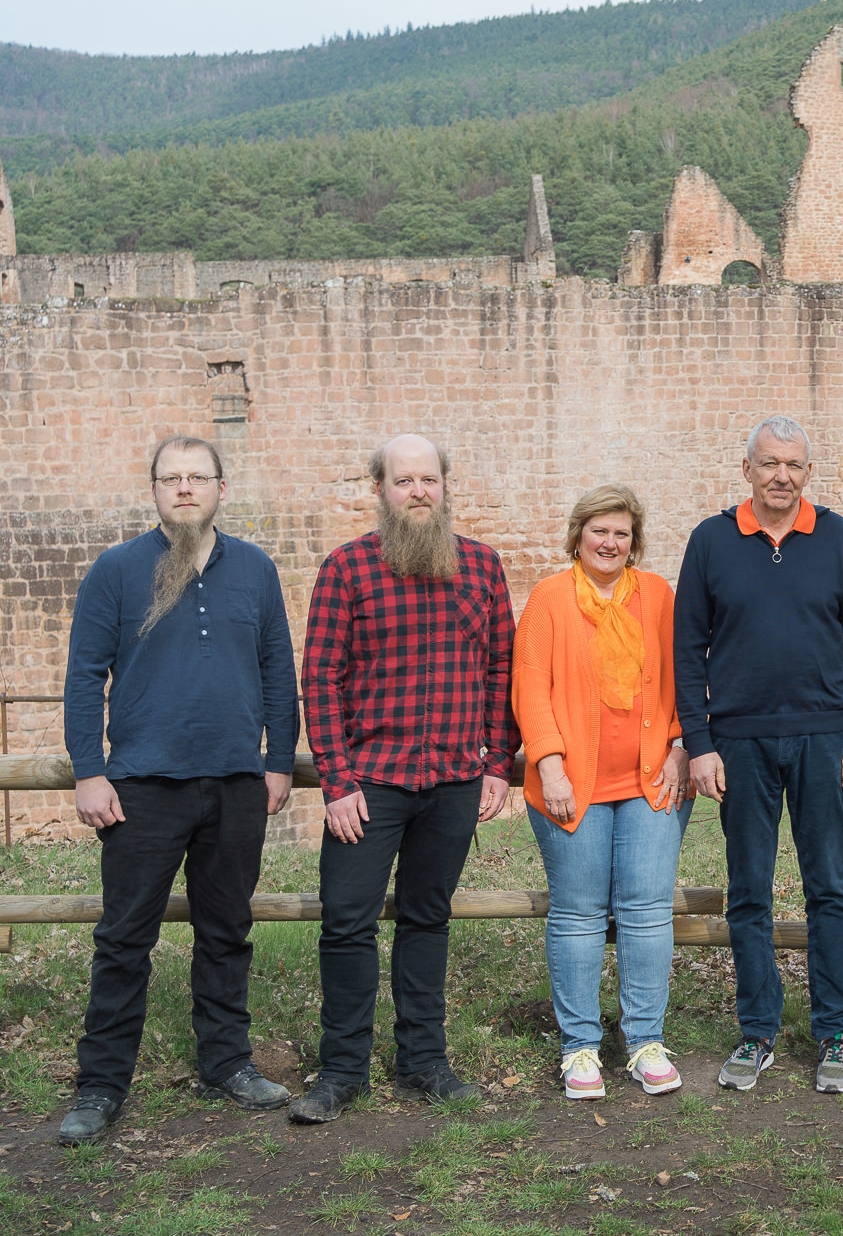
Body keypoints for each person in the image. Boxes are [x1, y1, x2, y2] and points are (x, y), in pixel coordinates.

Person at [57, 437, 299, 1144]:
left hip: (234, 783)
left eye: (198, 478)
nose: (185, 489)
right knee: (124, 939)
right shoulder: (118, 569)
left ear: (222, 488)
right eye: (172, 478)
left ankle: (226, 1063)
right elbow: (83, 676)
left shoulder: (253, 568)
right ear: (155, 489)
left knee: (227, 932)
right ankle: (101, 1086)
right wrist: (87, 768)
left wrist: (277, 763)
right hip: (141, 787)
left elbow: (278, 672)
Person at [290, 435, 518, 1125]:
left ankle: (425, 1062)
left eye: (428, 479)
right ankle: (341, 1072)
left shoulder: (481, 567)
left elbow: (501, 671)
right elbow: (320, 679)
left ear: (445, 487)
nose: (417, 491)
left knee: (427, 920)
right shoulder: (348, 569)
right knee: (348, 924)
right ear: (380, 489)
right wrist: (337, 782)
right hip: (372, 783)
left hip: (452, 779)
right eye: (403, 480)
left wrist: (496, 761)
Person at [676, 416, 843, 1095]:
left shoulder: (838, 538)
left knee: (829, 888)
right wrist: (699, 743)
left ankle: (835, 1034)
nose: (780, 476)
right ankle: (757, 1030)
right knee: (749, 891)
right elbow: (687, 651)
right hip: (740, 742)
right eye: (768, 463)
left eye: (792, 464)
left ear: (808, 473)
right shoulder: (711, 541)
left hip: (824, 736)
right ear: (747, 470)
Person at [512, 485, 690, 1102]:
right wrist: (550, 764)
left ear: (633, 540)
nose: (610, 542)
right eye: (599, 531)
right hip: (572, 784)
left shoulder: (660, 597)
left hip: (650, 778)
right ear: (579, 535)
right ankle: (580, 1047)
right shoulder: (550, 600)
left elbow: (686, 675)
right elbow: (530, 689)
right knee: (579, 913)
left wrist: (679, 746)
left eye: (621, 533)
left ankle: (644, 1040)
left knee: (646, 910)